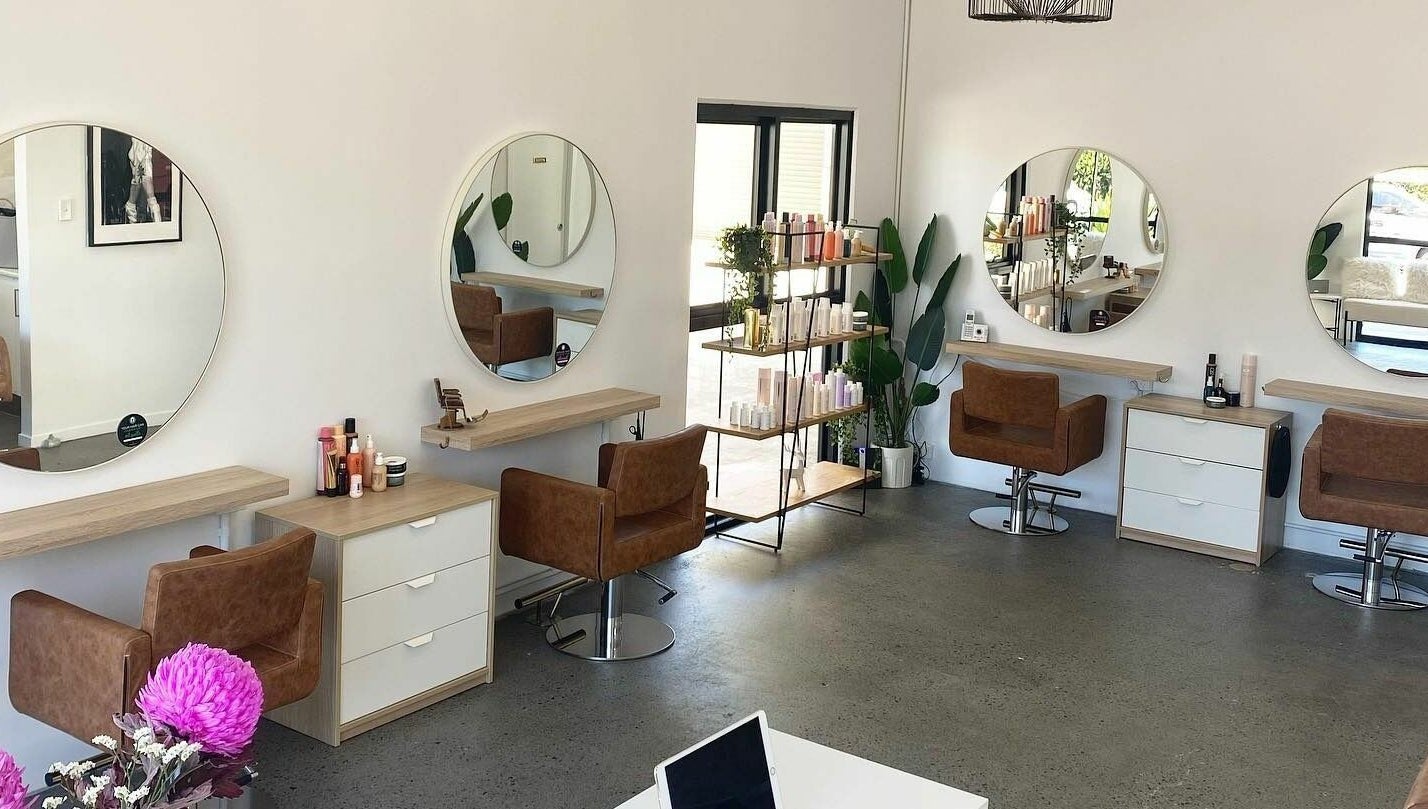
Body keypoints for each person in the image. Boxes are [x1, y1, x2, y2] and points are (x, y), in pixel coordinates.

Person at [124, 138, 165, 224]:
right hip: (141, 144)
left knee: (140, 175)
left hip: (144, 145)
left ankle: (132, 209)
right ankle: (152, 213)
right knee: (141, 174)